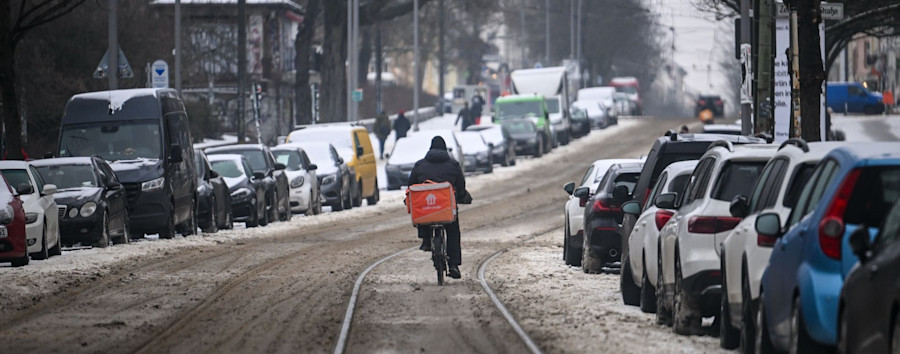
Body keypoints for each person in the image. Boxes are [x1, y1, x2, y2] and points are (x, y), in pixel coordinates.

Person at [408, 136, 471, 279]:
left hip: (426, 211)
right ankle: (453, 264)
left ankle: (426, 240)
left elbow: (411, 186)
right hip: (446, 209)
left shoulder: (420, 165)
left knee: (424, 211)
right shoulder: (453, 165)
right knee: (453, 231)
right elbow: (461, 186)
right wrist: (462, 196)